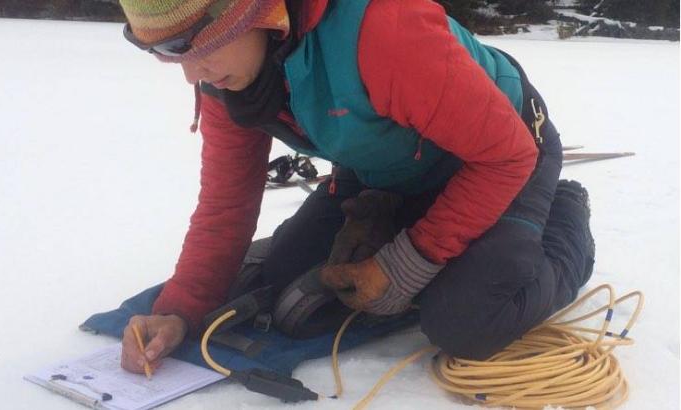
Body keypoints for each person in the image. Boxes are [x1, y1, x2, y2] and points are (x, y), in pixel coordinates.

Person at [117, 0, 595, 375]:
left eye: (194, 44)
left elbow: (505, 155)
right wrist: (182, 309)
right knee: (284, 276)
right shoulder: (224, 77)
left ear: (248, 9)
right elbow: (227, 203)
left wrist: (409, 261)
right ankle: (410, 215)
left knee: (467, 319)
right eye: (167, 51)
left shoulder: (382, 29)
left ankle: (562, 213)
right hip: (385, 165)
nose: (189, 72)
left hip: (504, 155)